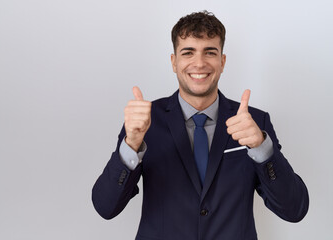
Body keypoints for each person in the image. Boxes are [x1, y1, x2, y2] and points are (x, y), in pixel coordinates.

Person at [92, 10, 309, 240]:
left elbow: (294, 210)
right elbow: (106, 207)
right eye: (188, 52)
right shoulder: (145, 122)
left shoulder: (254, 122)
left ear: (222, 61)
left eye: (210, 52)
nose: (199, 63)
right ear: (174, 62)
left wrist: (261, 148)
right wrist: (131, 144)